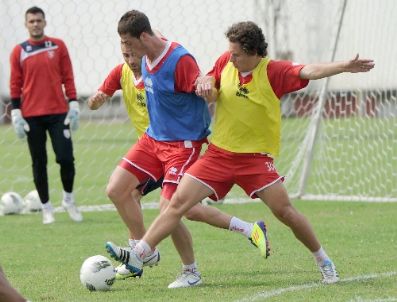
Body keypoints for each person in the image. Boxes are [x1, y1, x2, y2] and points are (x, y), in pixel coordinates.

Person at [107, 21, 375, 285]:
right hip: (218, 156)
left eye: (236, 54)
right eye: (230, 52)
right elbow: (211, 80)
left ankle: (323, 260)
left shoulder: (273, 72)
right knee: (177, 204)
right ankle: (141, 254)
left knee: (286, 213)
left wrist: (343, 67)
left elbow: (309, 71)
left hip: (255, 161)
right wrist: (206, 85)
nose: (230, 58)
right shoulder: (226, 62)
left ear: (254, 54)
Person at [91, 29, 270, 287]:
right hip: (152, 146)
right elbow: (100, 95)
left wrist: (205, 86)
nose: (130, 58)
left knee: (172, 209)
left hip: (180, 149)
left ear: (143, 42)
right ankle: (145, 252)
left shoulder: (170, 60)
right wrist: (95, 100)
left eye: (132, 51)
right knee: (124, 192)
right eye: (125, 53)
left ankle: (172, 265)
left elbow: (198, 82)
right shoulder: (125, 71)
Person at [9, 6, 83, 224]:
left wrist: (74, 103)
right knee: (39, 162)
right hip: (32, 116)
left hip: (59, 113)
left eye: (38, 20)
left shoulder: (58, 46)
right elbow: (15, 83)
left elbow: (68, 76)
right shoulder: (19, 51)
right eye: (31, 21)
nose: (35, 24)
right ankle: (46, 207)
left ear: (45, 22)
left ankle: (68, 200)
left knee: (66, 158)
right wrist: (16, 112)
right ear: (26, 24)